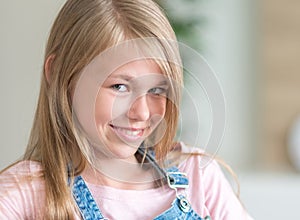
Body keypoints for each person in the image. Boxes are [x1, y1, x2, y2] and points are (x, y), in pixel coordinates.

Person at [0, 0, 253, 219]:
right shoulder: (26, 191)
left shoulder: (197, 177)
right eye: (119, 86)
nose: (142, 113)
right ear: (58, 75)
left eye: (157, 90)